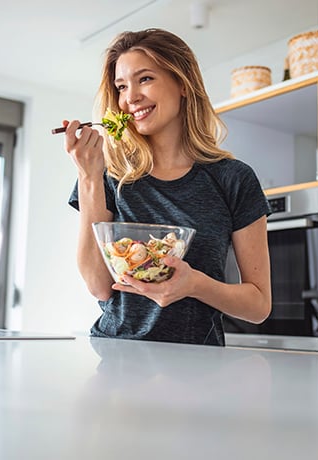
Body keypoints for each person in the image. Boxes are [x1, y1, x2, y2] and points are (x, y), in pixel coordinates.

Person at [63, 28, 271, 346]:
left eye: (145, 79)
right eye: (121, 86)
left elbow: (258, 306)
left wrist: (194, 284)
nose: (130, 98)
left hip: (199, 367)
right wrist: (89, 177)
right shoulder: (107, 174)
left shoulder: (234, 179)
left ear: (182, 83)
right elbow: (99, 286)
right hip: (118, 359)